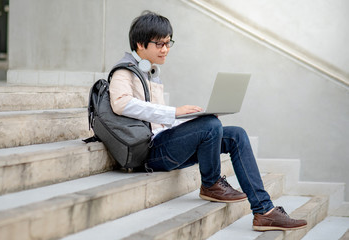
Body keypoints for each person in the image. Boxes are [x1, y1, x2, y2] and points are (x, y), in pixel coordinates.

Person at [109, 10, 307, 231]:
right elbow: (121, 104)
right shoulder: (124, 72)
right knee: (211, 126)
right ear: (140, 44)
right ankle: (211, 183)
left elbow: (158, 122)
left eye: (168, 43)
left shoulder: (149, 72)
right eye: (159, 44)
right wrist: (174, 111)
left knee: (235, 134)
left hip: (162, 142)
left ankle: (264, 211)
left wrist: (191, 118)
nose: (165, 49)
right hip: (148, 152)